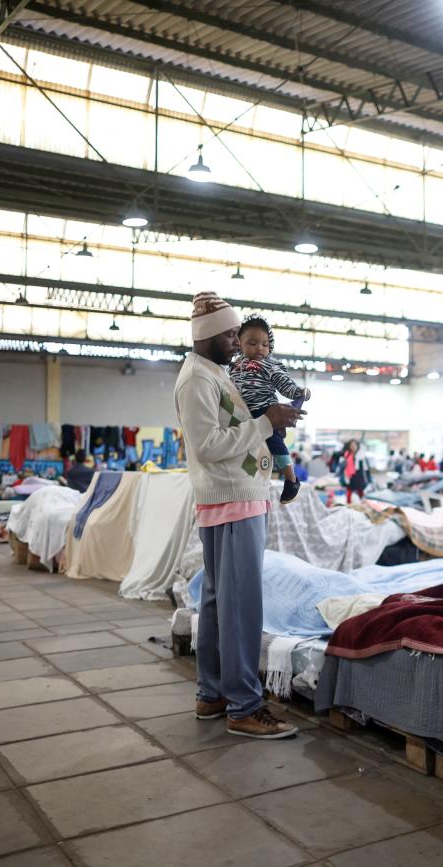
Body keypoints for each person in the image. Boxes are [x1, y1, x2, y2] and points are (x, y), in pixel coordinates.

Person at [176, 291, 302, 740]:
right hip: (233, 498)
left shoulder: (213, 373)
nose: (236, 341)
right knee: (240, 603)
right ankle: (245, 706)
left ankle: (212, 694)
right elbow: (208, 446)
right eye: (230, 334)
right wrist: (268, 422)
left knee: (216, 601)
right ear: (207, 336)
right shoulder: (197, 380)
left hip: (234, 495)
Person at [230, 316, 311, 505]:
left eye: (265, 344)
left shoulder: (269, 365)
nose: (260, 348)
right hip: (242, 413)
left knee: (274, 443)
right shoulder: (233, 367)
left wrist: (298, 392)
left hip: (265, 409)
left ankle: (291, 480)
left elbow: (284, 383)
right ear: (239, 344)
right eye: (253, 343)